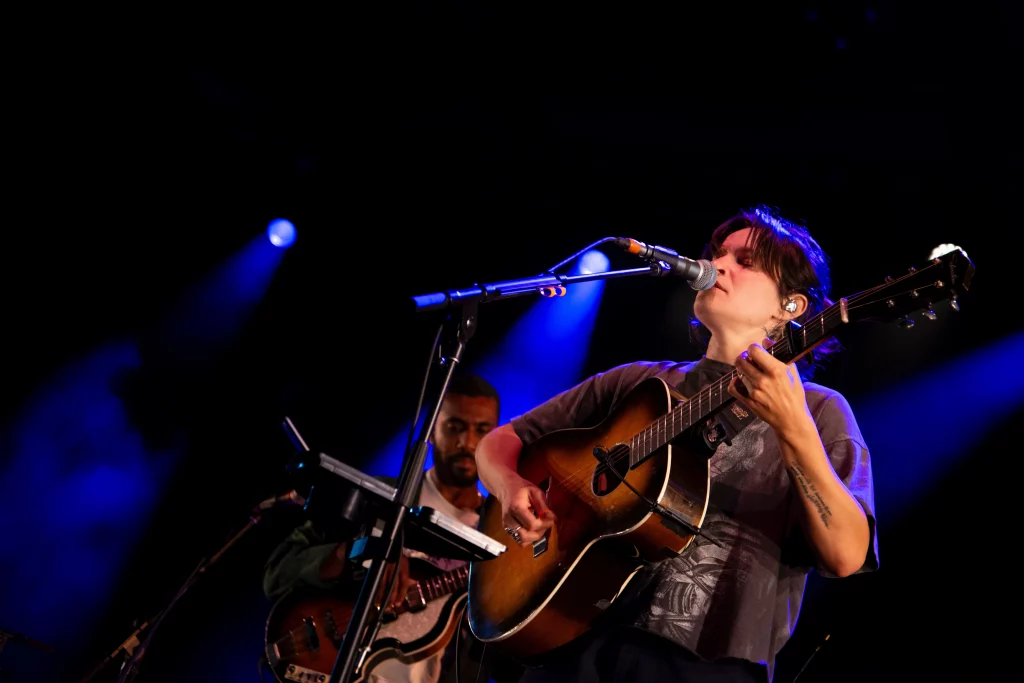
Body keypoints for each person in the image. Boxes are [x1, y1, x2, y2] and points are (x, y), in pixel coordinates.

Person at [475, 205, 879, 683]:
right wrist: (510, 487)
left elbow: (846, 556)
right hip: (574, 639)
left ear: (789, 307)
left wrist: (795, 429)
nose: (717, 265)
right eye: (718, 253)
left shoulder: (819, 410)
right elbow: (502, 440)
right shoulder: (636, 383)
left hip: (704, 665)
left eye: (745, 262)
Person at [263, 372, 511, 683]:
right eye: (455, 427)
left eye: (482, 430)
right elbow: (277, 573)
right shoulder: (375, 497)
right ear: (432, 430)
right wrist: (361, 553)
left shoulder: (497, 531)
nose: (468, 442)